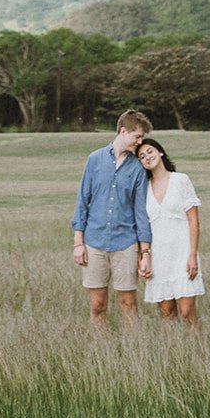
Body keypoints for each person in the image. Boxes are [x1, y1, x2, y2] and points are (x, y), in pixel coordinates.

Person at [71, 108, 153, 325]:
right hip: (94, 243)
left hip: (125, 244)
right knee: (97, 305)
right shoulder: (94, 160)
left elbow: (140, 212)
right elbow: (82, 201)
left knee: (128, 304)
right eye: (137, 136)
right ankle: (100, 352)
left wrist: (145, 252)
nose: (139, 142)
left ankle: (133, 351)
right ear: (123, 131)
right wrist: (78, 244)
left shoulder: (137, 168)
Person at [136, 136, 204, 328]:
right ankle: (173, 353)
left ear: (160, 152)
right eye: (142, 156)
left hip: (183, 254)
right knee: (167, 314)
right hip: (159, 258)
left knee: (187, 312)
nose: (147, 157)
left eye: (150, 151)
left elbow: (193, 220)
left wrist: (192, 256)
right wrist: (143, 256)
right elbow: (143, 227)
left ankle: (197, 352)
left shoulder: (181, 180)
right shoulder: (144, 189)